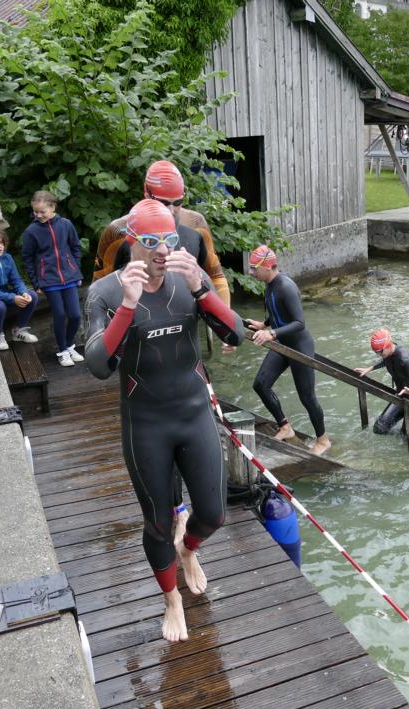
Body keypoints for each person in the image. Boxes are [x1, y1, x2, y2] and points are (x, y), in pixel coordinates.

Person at [83, 199, 245, 642]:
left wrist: (201, 290)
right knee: (156, 522)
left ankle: (188, 549)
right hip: (146, 423)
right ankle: (171, 600)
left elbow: (235, 333)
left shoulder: (186, 279)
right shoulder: (107, 293)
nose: (161, 250)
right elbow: (98, 366)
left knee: (213, 514)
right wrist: (128, 306)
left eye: (168, 240)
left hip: (193, 413)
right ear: (131, 241)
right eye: (150, 241)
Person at [93, 162, 231, 331]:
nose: (171, 210)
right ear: (146, 193)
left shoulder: (196, 224)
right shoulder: (117, 231)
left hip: (182, 327)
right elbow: (98, 292)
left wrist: (225, 322)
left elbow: (216, 276)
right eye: (163, 203)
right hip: (134, 329)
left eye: (178, 202)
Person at [244, 245, 331, 456]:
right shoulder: (269, 284)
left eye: (254, 268)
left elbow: (299, 322)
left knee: (307, 397)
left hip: (299, 346)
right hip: (283, 344)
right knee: (261, 385)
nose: (251, 272)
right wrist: (264, 324)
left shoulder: (286, 286)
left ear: (267, 266)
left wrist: (271, 333)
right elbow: (277, 309)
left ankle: (323, 440)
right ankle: (285, 426)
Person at [21, 190, 84, 367]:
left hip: (69, 277)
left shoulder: (66, 224)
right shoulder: (31, 231)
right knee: (60, 315)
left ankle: (69, 345)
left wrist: (76, 271)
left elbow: (75, 247)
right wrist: (36, 282)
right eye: (35, 211)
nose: (38, 215)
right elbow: (27, 258)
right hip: (48, 280)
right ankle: (62, 351)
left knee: (75, 315)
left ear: (53, 207)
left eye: (42, 211)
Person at [354, 328, 409, 435]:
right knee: (379, 428)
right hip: (401, 395)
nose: (379, 355)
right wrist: (370, 368)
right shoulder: (387, 354)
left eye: (380, 352)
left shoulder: (405, 358)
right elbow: (386, 361)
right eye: (376, 352)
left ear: (388, 344)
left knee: (404, 437)